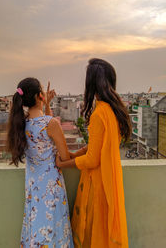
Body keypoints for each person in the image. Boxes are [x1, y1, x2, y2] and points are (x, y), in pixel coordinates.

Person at [56, 58, 131, 248]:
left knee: (94, 236)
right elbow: (97, 147)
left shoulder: (99, 114)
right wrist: (75, 154)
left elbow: (91, 160)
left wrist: (63, 164)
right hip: (110, 181)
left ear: (91, 83)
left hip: (98, 186)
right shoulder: (114, 110)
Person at [7, 78, 74, 248]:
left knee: (38, 227)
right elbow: (65, 157)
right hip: (51, 187)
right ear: (40, 96)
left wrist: (47, 104)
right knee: (54, 229)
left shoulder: (22, 123)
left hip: (33, 187)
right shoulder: (51, 124)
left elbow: (43, 126)